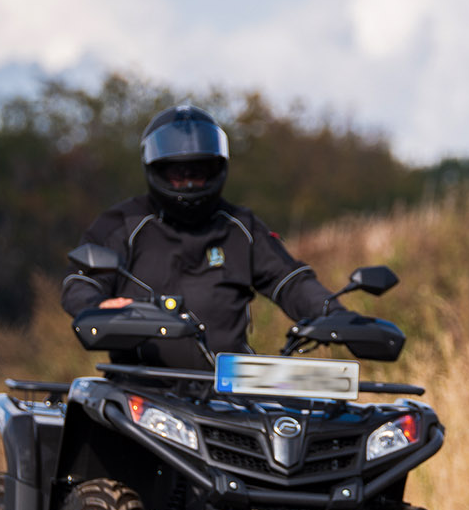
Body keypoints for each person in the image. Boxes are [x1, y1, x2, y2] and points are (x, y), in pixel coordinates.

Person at [60, 104, 342, 369]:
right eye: (178, 174)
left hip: (227, 391)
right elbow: (80, 281)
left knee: (309, 410)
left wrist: (337, 316)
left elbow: (292, 281)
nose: (189, 182)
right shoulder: (123, 224)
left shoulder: (240, 227)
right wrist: (98, 306)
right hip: (139, 387)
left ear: (216, 170)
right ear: (156, 169)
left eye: (198, 172)